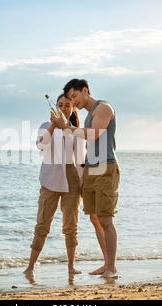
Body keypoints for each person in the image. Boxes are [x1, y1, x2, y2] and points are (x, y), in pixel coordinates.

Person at [51, 79, 120, 278]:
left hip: (106, 167)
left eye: (74, 96)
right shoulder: (90, 115)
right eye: (70, 98)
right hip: (91, 168)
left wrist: (68, 128)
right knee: (95, 218)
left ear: (85, 90)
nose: (73, 101)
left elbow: (94, 135)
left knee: (106, 219)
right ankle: (108, 264)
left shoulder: (104, 108)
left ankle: (111, 268)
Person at [24, 94, 84, 279]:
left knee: (71, 226)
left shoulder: (76, 131)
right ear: (55, 107)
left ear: (73, 108)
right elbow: (41, 146)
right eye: (60, 105)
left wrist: (82, 186)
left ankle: (71, 266)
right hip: (49, 181)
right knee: (42, 224)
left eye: (68, 105)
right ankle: (30, 267)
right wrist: (53, 125)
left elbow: (80, 161)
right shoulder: (44, 126)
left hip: (72, 182)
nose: (64, 108)